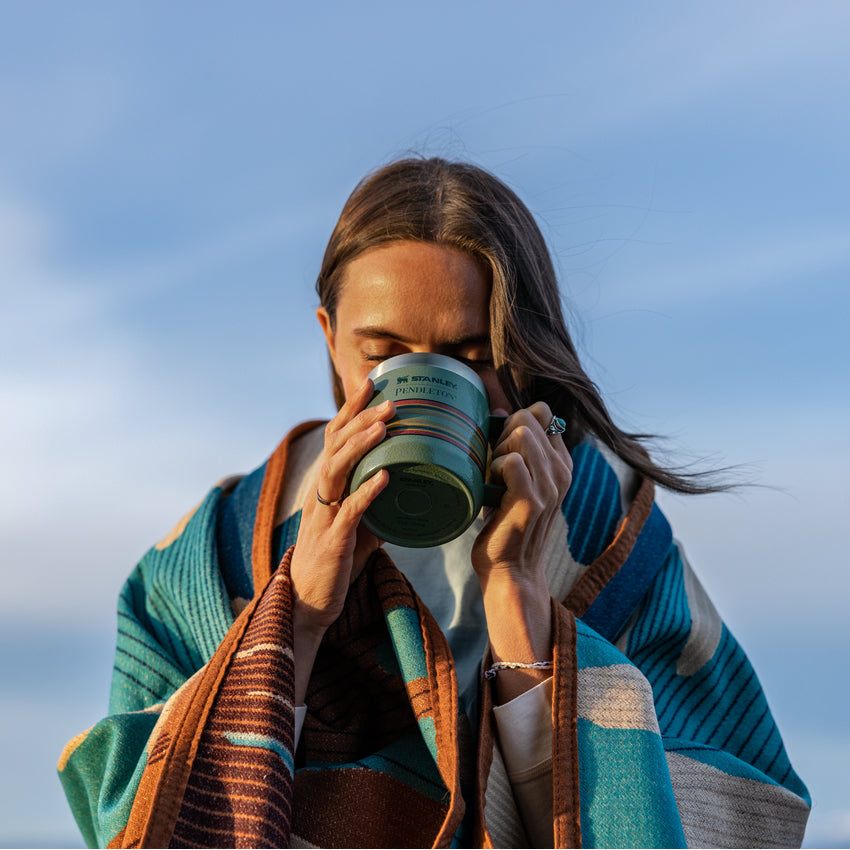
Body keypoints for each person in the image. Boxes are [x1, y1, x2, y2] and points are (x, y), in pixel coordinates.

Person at [58, 157, 810, 848]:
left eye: (471, 357)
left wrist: (520, 597)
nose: (424, 381)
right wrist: (298, 614)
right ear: (329, 338)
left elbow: (738, 805)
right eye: (383, 355)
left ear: (524, 348)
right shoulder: (216, 549)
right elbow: (134, 804)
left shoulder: (608, 531)